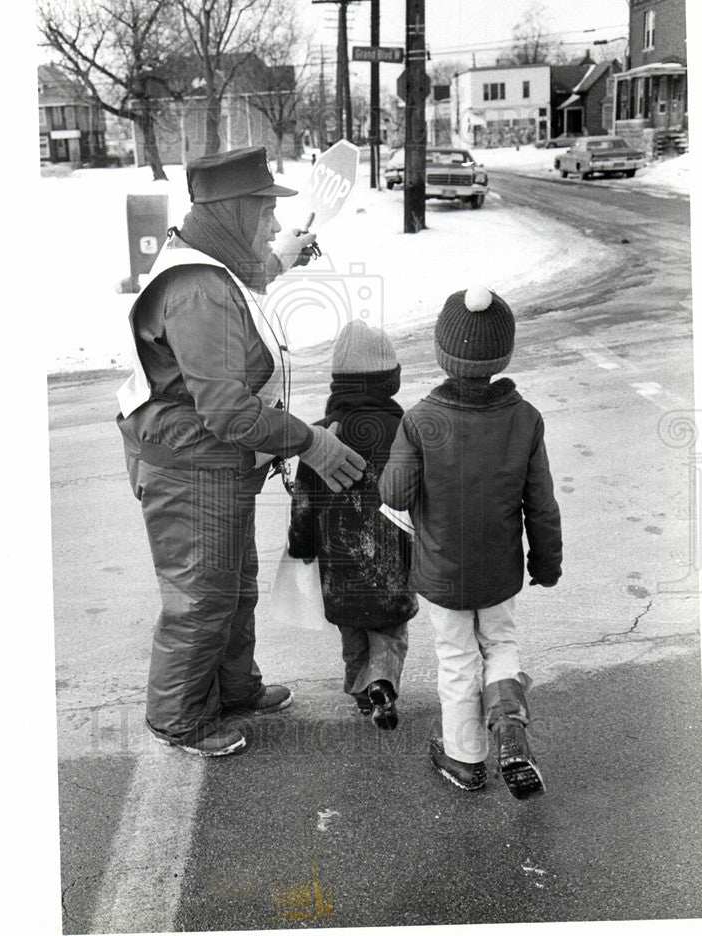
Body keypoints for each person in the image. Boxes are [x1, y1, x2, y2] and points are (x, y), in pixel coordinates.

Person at [116, 147, 366, 757]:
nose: (275, 226)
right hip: (189, 467)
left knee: (233, 585)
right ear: (232, 213)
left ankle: (233, 688)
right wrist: (310, 442)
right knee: (202, 595)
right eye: (266, 214)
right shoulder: (199, 290)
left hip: (212, 463)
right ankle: (178, 718)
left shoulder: (212, 265)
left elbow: (243, 281)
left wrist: (281, 257)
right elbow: (225, 409)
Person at [379, 286, 562, 799]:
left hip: (442, 572)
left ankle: (465, 760)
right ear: (503, 354)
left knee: (457, 658)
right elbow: (541, 504)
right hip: (499, 569)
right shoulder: (524, 418)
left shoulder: (421, 420)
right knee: (500, 643)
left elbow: (395, 493)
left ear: (442, 352)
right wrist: (545, 562)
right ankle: (509, 727)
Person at [286, 320, 417, 729]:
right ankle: (381, 682)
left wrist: (302, 545)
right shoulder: (405, 432)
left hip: (339, 568)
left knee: (353, 632)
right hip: (393, 561)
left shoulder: (322, 436)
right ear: (390, 381)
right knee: (389, 632)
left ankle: (362, 693)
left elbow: (305, 503)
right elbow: (423, 497)